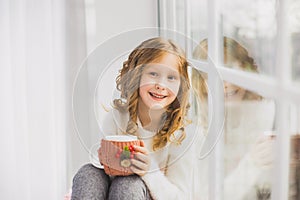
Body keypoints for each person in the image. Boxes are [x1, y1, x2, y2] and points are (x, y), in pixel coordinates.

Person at [71, 37, 202, 200]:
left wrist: (149, 171)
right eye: (153, 74)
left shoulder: (183, 133)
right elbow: (107, 183)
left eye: (171, 77)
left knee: (128, 183)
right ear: (137, 76)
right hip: (116, 192)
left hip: (145, 194)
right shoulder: (116, 117)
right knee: (88, 172)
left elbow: (182, 196)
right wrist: (105, 161)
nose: (161, 84)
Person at [191, 37, 276, 199]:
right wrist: (252, 163)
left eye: (231, 71)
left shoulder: (269, 112)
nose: (226, 84)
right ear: (201, 84)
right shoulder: (199, 126)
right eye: (213, 76)